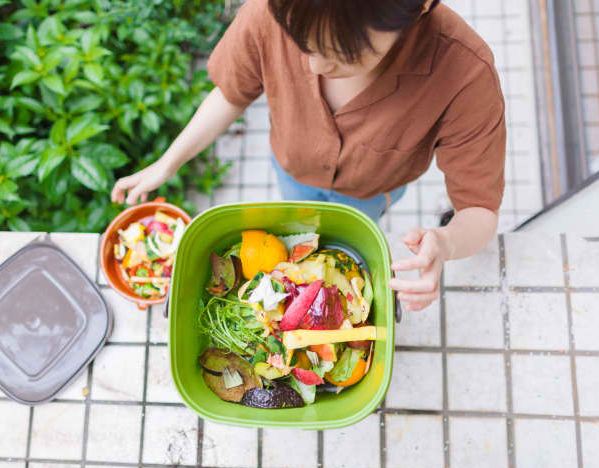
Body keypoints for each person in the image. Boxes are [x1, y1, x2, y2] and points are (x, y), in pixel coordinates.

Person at [111, 0, 506, 312]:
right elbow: (233, 92)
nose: (315, 66)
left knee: (350, 232)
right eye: (301, 43)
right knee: (298, 212)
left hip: (370, 194)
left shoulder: (466, 74)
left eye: (344, 53)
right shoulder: (269, 10)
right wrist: (167, 162)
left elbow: (479, 208)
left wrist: (446, 242)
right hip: (291, 169)